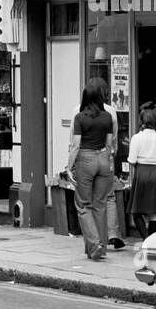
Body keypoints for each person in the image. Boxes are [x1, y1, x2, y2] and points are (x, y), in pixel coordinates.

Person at [67, 84, 115, 261]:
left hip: (85, 158)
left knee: (83, 205)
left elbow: (75, 145)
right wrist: (107, 160)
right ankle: (100, 247)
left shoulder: (80, 118)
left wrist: (68, 167)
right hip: (103, 158)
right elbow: (109, 143)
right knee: (100, 204)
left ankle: (94, 245)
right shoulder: (108, 117)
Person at [86, 76, 125, 249]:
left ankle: (95, 237)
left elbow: (74, 139)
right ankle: (113, 233)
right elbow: (113, 138)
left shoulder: (77, 110)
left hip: (86, 158)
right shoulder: (111, 112)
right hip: (105, 156)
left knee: (88, 199)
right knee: (108, 197)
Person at [128, 108, 156, 239]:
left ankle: (146, 239)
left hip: (141, 173)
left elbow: (132, 160)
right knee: (154, 212)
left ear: (142, 121)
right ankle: (151, 241)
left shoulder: (136, 138)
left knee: (136, 211)